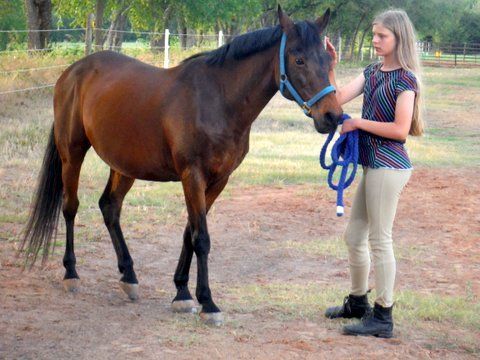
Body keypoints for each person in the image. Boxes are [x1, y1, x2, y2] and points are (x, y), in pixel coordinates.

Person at [323, 9, 424, 338]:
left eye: (382, 36)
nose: (376, 40)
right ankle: (358, 302)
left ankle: (383, 316)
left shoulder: (406, 79)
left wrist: (358, 123)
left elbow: (400, 130)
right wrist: (331, 67)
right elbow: (336, 100)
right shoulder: (373, 72)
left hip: (389, 165)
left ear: (399, 39)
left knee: (380, 240)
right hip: (373, 165)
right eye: (374, 34)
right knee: (354, 237)